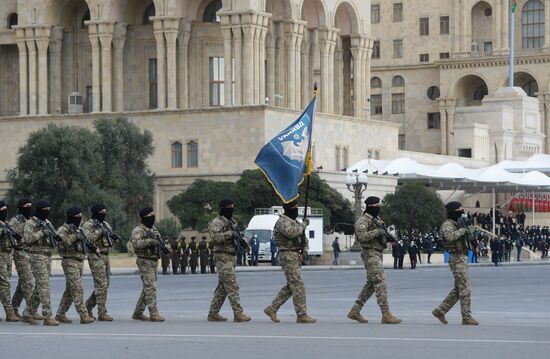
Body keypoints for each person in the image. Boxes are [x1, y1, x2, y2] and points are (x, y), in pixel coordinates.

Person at [347, 196, 401, 324]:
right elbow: (362, 237)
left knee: (371, 284)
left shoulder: (377, 220)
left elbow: (382, 235)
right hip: (369, 253)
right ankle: (386, 313)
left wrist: (389, 238)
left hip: (377, 252)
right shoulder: (362, 221)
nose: (379, 209)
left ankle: (355, 310)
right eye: (377, 206)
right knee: (380, 281)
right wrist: (377, 232)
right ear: (370, 207)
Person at [264, 201, 316, 324]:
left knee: (292, 285)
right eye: (294, 208)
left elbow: (304, 240)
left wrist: (304, 251)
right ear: (287, 210)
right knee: (298, 284)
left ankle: (272, 308)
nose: (296, 211)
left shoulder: (295, 223)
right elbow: (291, 233)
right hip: (286, 254)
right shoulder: (282, 222)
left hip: (295, 255)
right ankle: (301, 314)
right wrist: (303, 225)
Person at [432, 201, 479, 326]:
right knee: (465, 288)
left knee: (459, 289)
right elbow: (449, 237)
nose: (461, 212)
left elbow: (466, 237)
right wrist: (462, 231)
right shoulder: (447, 224)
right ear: (453, 211)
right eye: (459, 210)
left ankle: (440, 310)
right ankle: (466, 317)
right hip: (456, 258)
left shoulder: (458, 224)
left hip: (462, 257)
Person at [207, 199, 251, 322]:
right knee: (232, 285)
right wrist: (230, 234)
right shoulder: (217, 222)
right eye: (229, 207)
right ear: (223, 209)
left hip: (231, 256)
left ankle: (213, 313)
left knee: (223, 287)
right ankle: (238, 313)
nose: (231, 209)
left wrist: (242, 243)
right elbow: (215, 238)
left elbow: (236, 235)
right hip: (222, 257)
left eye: (233, 207)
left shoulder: (232, 221)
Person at [55, 207, 97, 324]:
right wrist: (75, 235)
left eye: (80, 217)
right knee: (78, 288)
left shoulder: (79, 229)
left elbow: (87, 241)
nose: (79, 220)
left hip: (79, 261)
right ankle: (84, 315)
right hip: (69, 261)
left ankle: (60, 314)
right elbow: (65, 242)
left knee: (70, 290)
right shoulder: (62, 230)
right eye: (77, 218)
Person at [130, 207, 170, 322]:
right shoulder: (138, 230)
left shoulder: (154, 229)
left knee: (148, 287)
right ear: (144, 217)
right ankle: (154, 313)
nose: (152, 217)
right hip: (144, 261)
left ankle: (138, 313)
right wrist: (150, 241)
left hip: (153, 261)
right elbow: (136, 244)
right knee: (150, 287)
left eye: (153, 215)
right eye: (150, 215)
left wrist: (165, 248)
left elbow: (160, 241)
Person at [23, 200, 59, 326]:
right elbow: (27, 239)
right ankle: (48, 316)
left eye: (48, 209)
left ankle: (28, 313)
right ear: (39, 210)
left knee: (40, 287)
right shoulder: (30, 223)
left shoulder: (47, 222)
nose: (47, 212)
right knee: (44, 287)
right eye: (45, 210)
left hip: (48, 256)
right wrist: (41, 232)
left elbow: (55, 236)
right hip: (37, 256)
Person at [81, 204, 116, 321]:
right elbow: (87, 239)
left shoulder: (105, 224)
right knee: (101, 284)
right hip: (95, 255)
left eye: (105, 212)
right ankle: (102, 312)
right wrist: (99, 232)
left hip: (106, 255)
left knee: (106, 285)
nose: (104, 214)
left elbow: (109, 239)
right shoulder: (88, 225)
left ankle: (88, 305)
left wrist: (113, 239)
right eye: (101, 212)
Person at [9, 198, 35, 321]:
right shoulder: (14, 221)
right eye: (27, 206)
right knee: (28, 282)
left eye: (30, 206)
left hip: (30, 253)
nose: (29, 208)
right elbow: (10, 237)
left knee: (22, 283)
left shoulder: (30, 221)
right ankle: (31, 311)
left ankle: (14, 307)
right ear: (21, 207)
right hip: (20, 254)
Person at [0, 200, 19, 322]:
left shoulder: (6, 224)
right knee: (4, 285)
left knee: (4, 285)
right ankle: (9, 313)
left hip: (7, 257)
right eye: (3, 209)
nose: (5, 211)